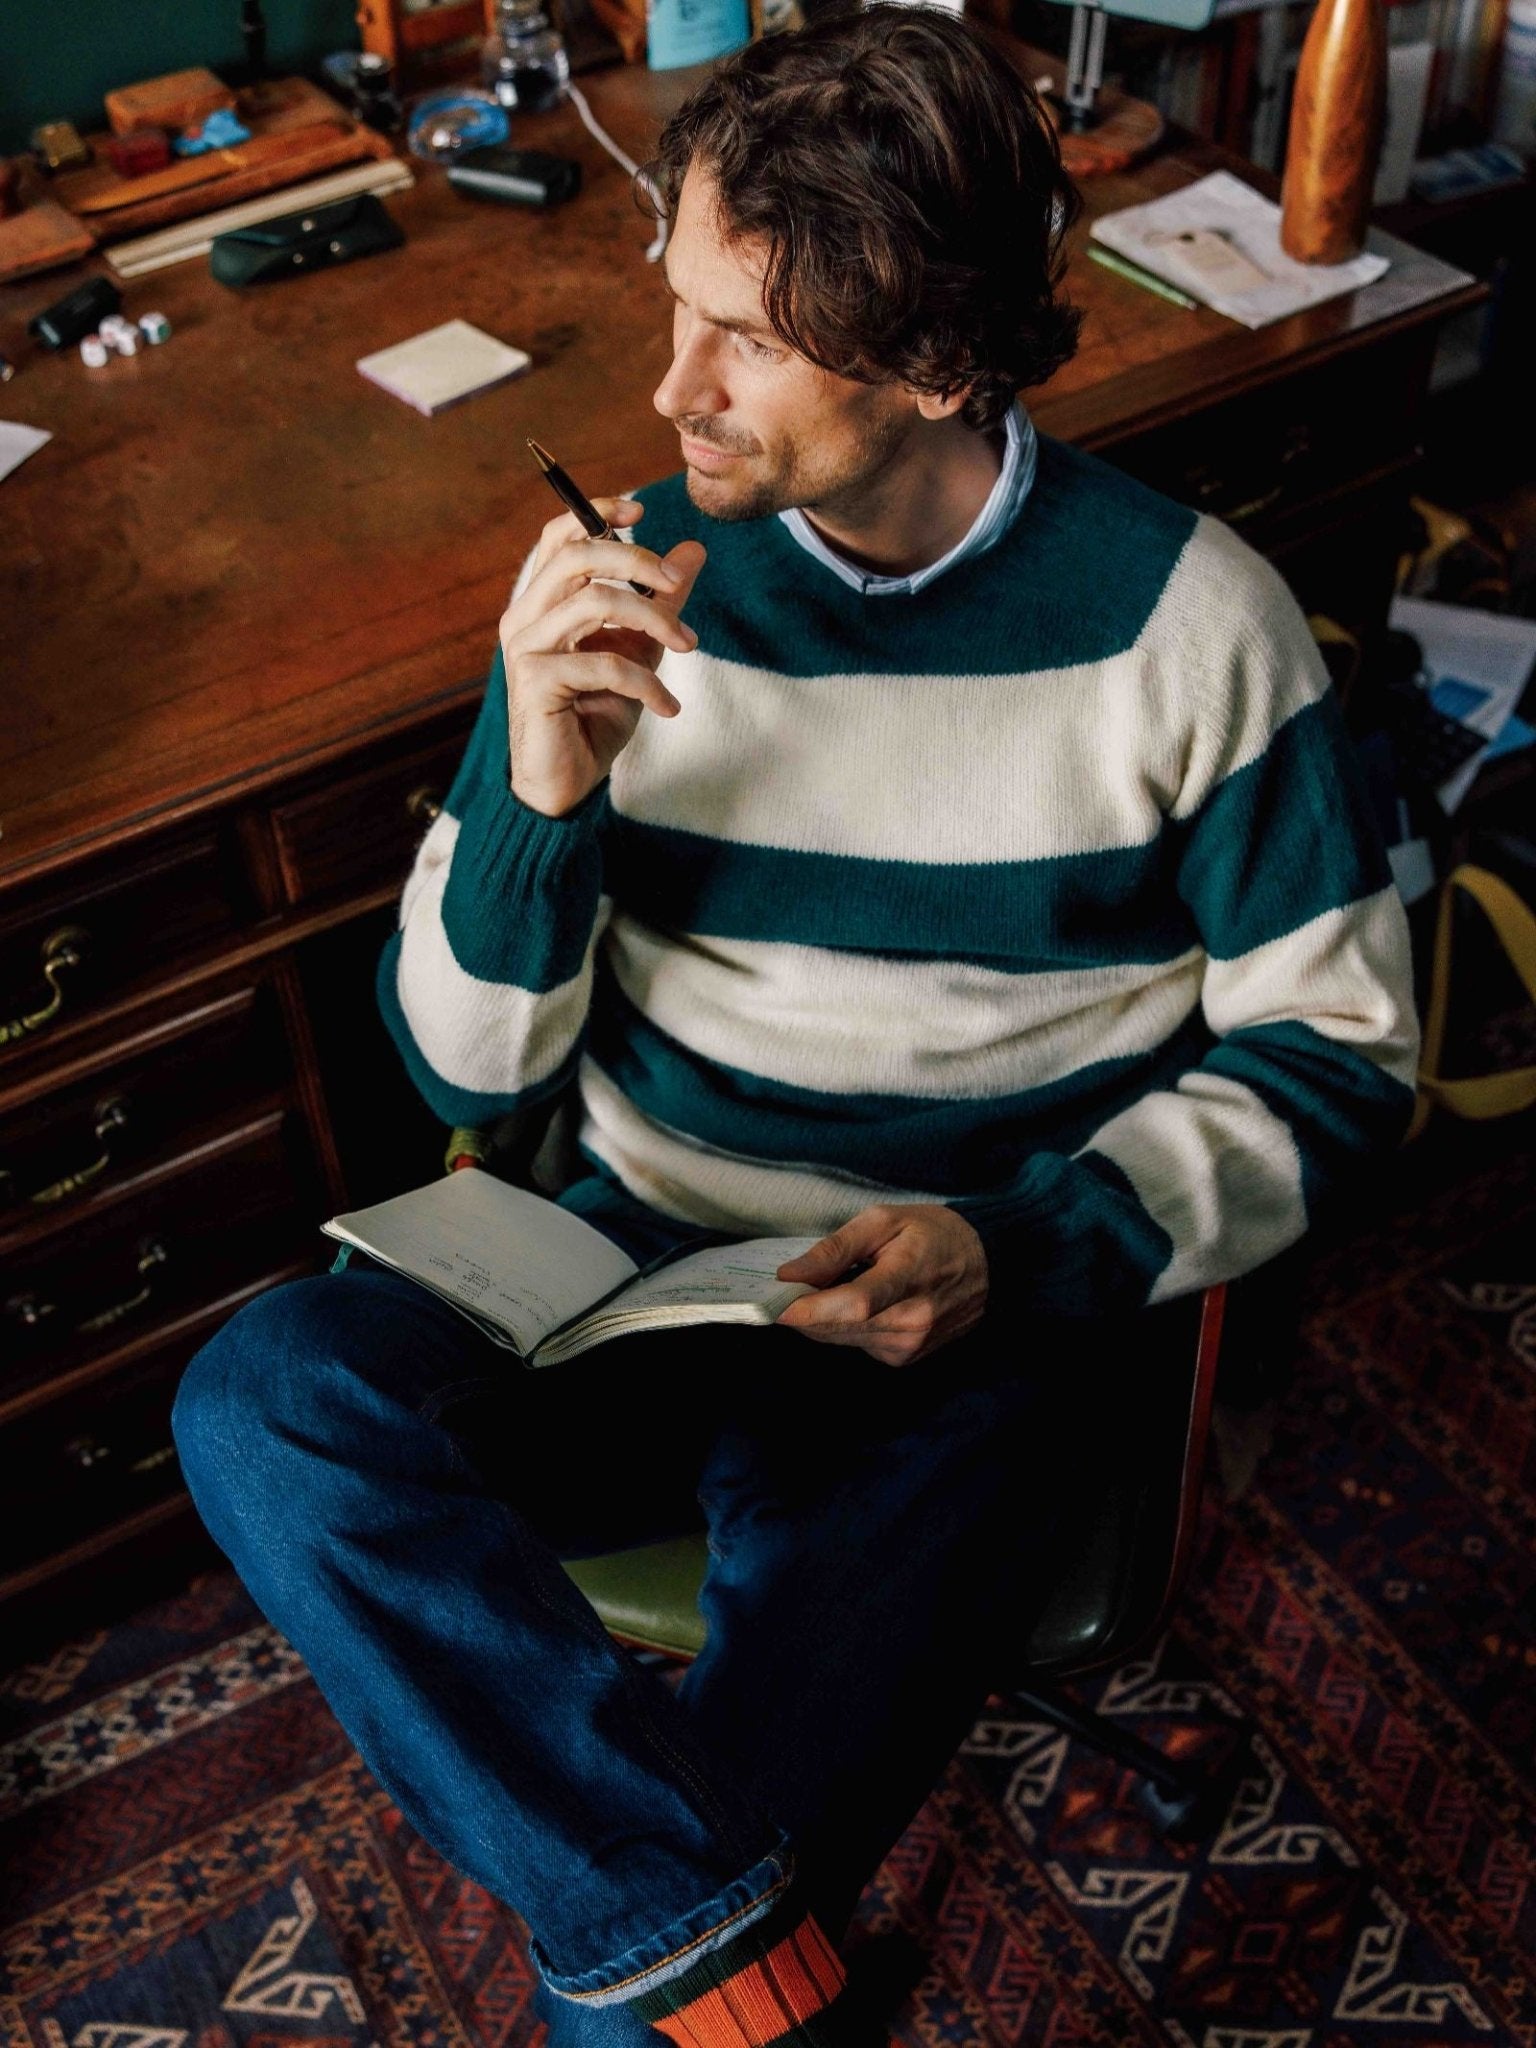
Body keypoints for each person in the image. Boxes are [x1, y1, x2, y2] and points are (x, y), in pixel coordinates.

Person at [172, 7, 1419, 2045]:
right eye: (674, 311)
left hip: (952, 1322)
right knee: (261, 1405)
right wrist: (531, 792)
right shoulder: (628, 586)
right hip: (627, 1264)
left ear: (939, 361)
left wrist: (1026, 1246)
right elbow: (466, 1081)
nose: (671, 391)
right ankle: (717, 1949)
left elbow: (1343, 1058)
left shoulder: (1197, 632)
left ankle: (684, 1969)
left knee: (637, 2018)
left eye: (740, 340)